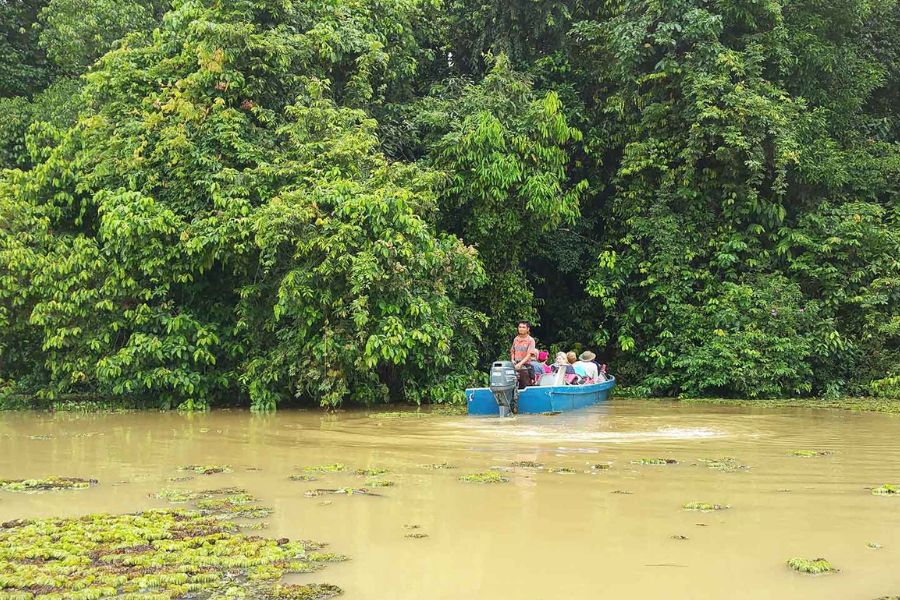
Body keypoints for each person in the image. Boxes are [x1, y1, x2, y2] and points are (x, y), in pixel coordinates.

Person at [510, 320, 536, 389]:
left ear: (528, 329)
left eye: (523, 327)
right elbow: (512, 351)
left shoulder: (530, 340)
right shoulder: (516, 339)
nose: (521, 329)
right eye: (520, 327)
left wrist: (520, 364)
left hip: (525, 366)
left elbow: (529, 354)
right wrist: (512, 359)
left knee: (525, 387)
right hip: (515, 365)